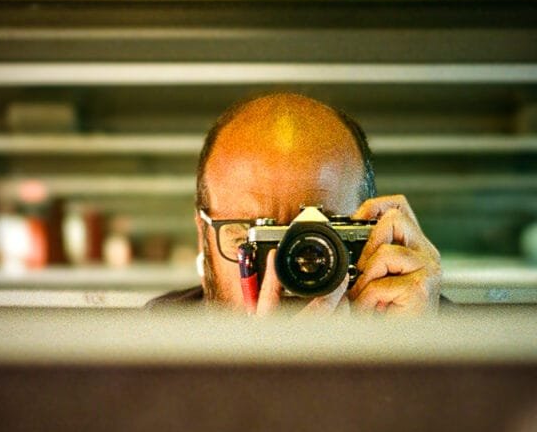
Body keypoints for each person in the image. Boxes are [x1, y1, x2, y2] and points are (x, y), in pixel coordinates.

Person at [148, 92, 443, 314]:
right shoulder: (151, 347)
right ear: (203, 238)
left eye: (320, 239)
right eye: (248, 241)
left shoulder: (436, 330)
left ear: (374, 232)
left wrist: (411, 353)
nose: (288, 271)